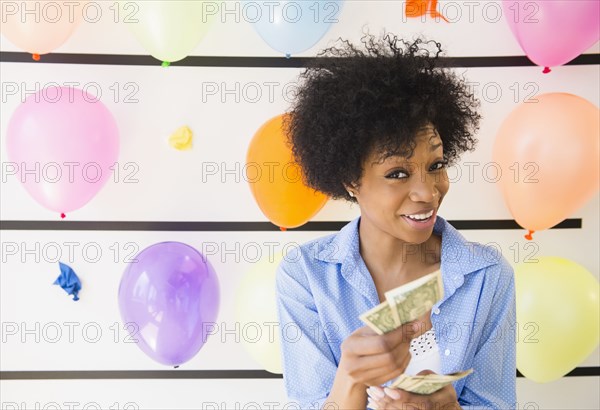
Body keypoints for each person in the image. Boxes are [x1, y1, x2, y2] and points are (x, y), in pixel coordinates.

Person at [275, 31, 516, 410]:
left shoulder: (487, 276)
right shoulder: (305, 276)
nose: (427, 191)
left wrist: (448, 408)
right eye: (398, 173)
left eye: (436, 165)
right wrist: (351, 381)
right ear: (351, 180)